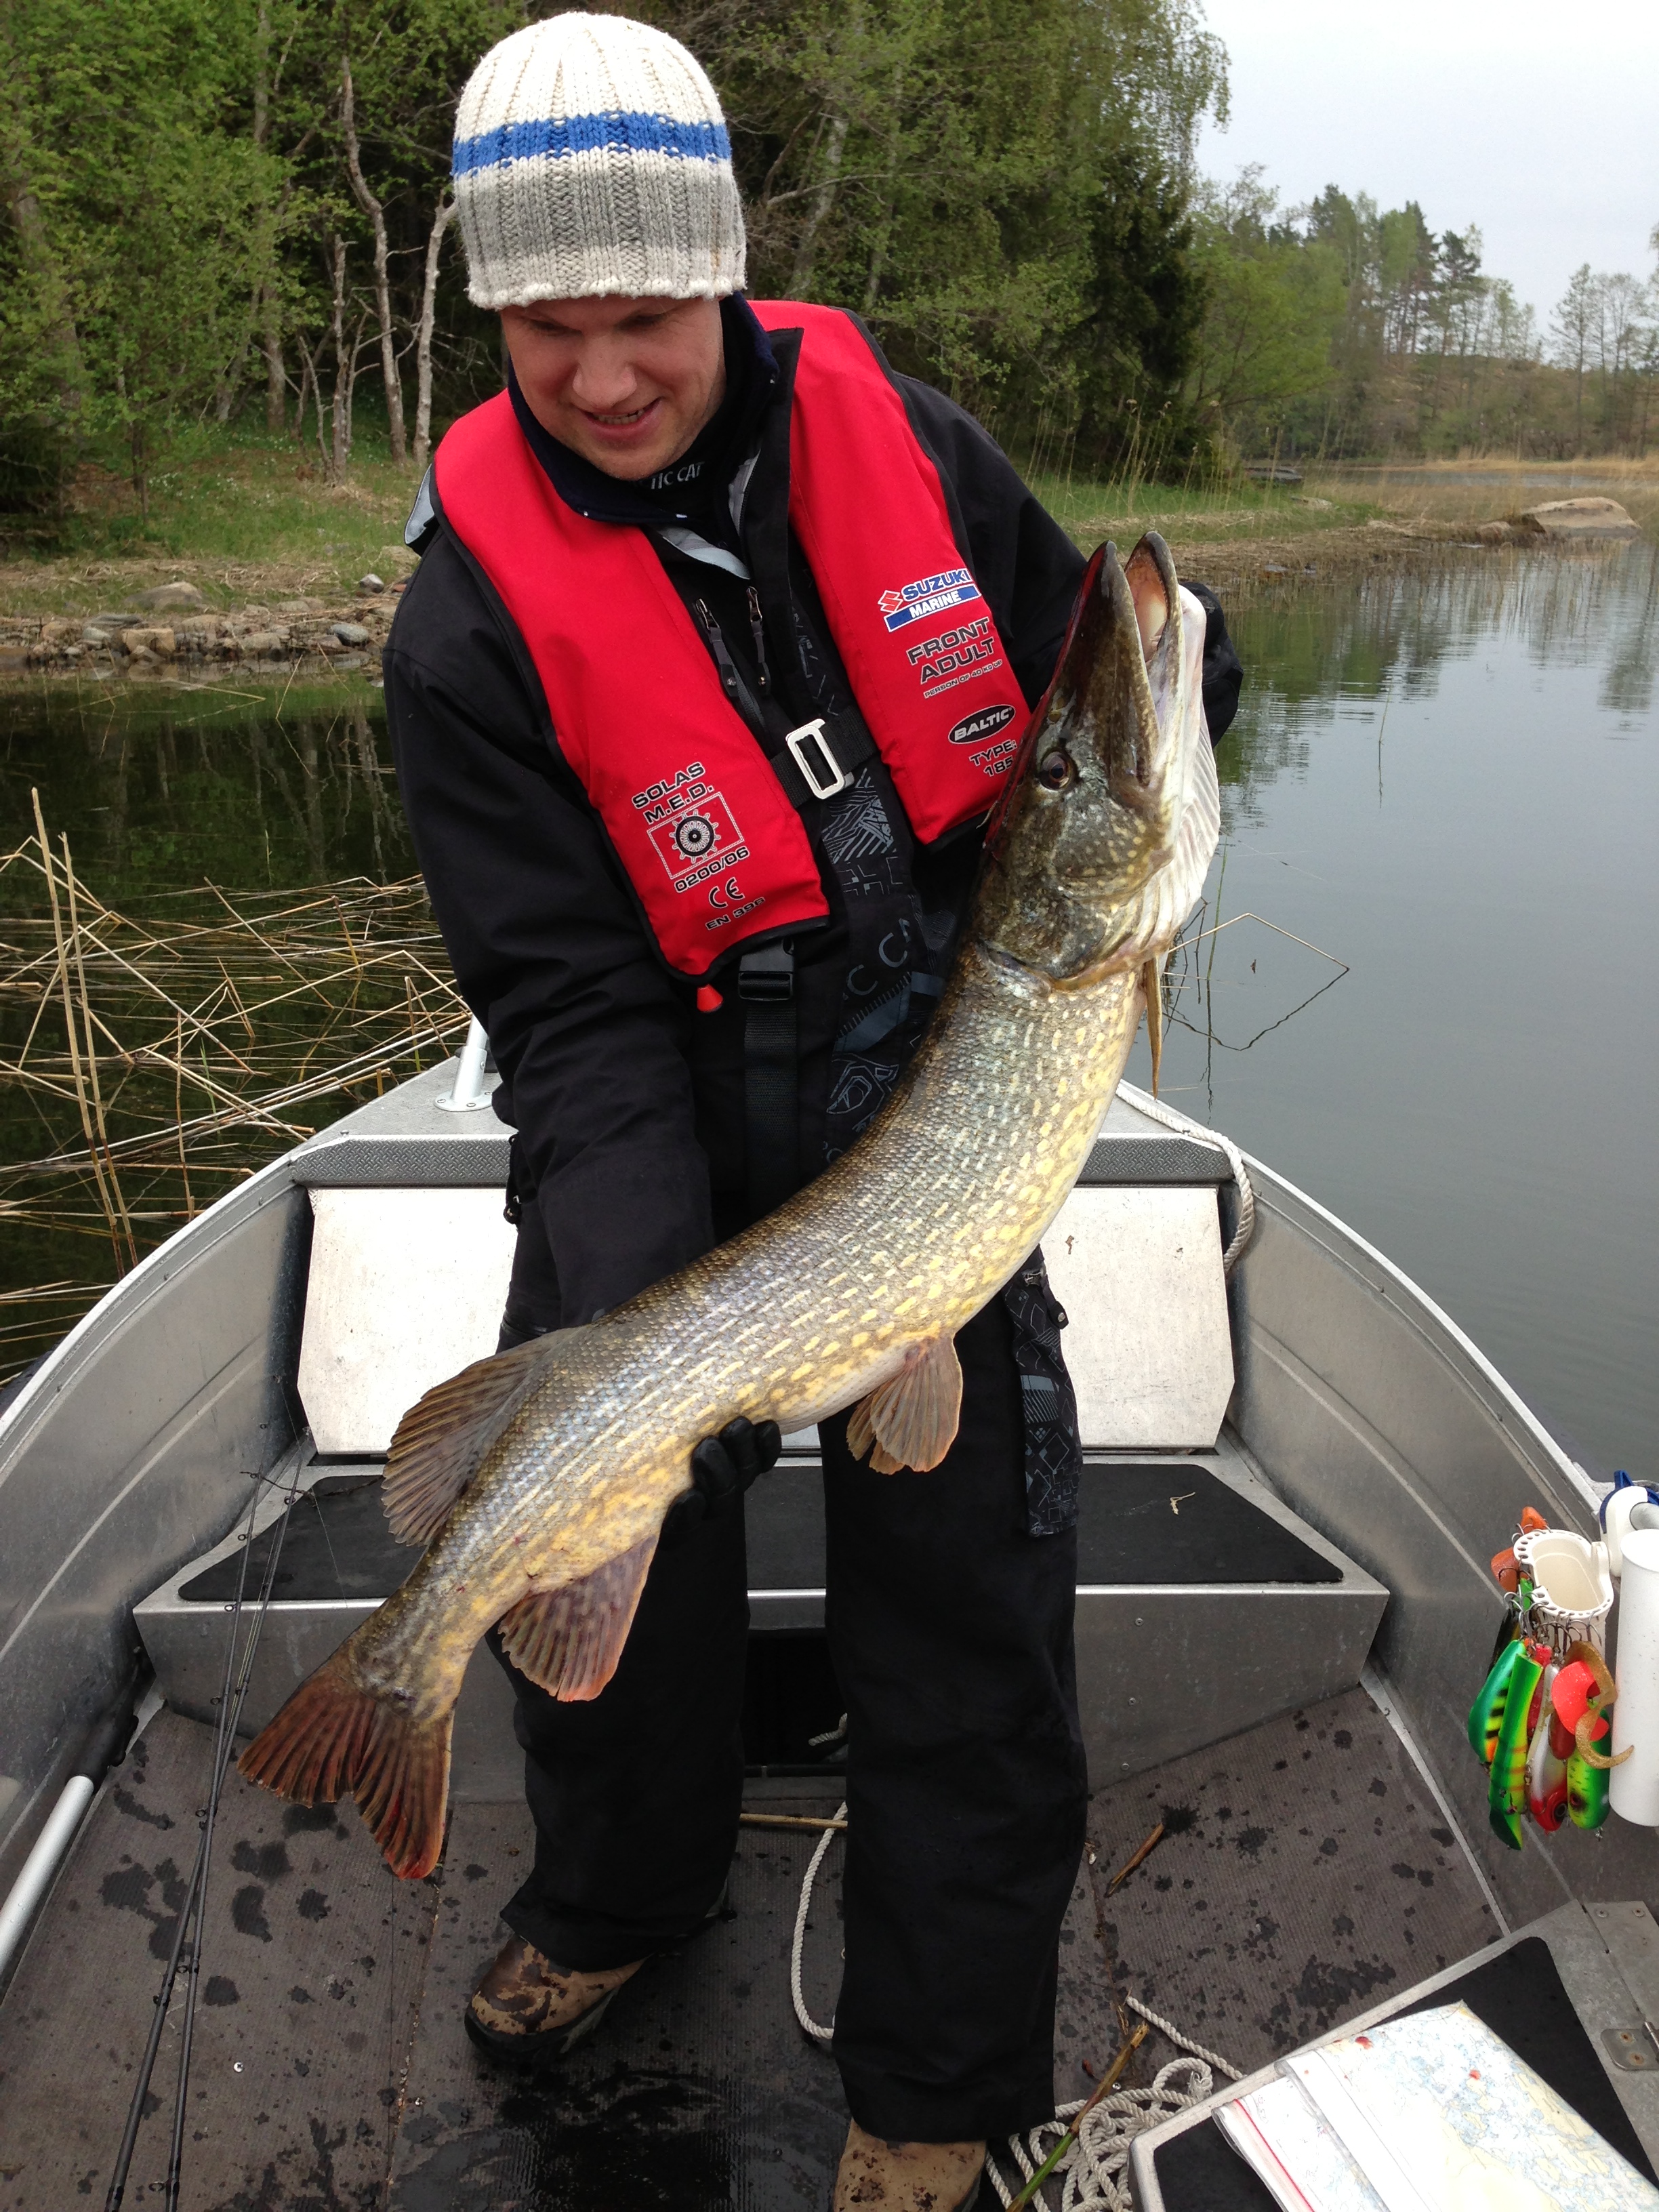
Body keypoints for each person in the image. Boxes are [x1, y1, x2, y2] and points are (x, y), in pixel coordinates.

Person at [386, 16, 1242, 2209]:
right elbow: (563, 1007)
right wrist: (651, 1335)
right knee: (614, 1554)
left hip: (941, 1070)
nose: (599, 377)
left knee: (966, 1624)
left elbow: (1097, 678)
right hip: (649, 1104)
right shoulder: (467, 625)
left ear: (730, 281)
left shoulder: (904, 440)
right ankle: (613, 1904)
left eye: (646, 317)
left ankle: (936, 2092)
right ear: (493, 309)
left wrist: (1189, 680)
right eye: (546, 327)